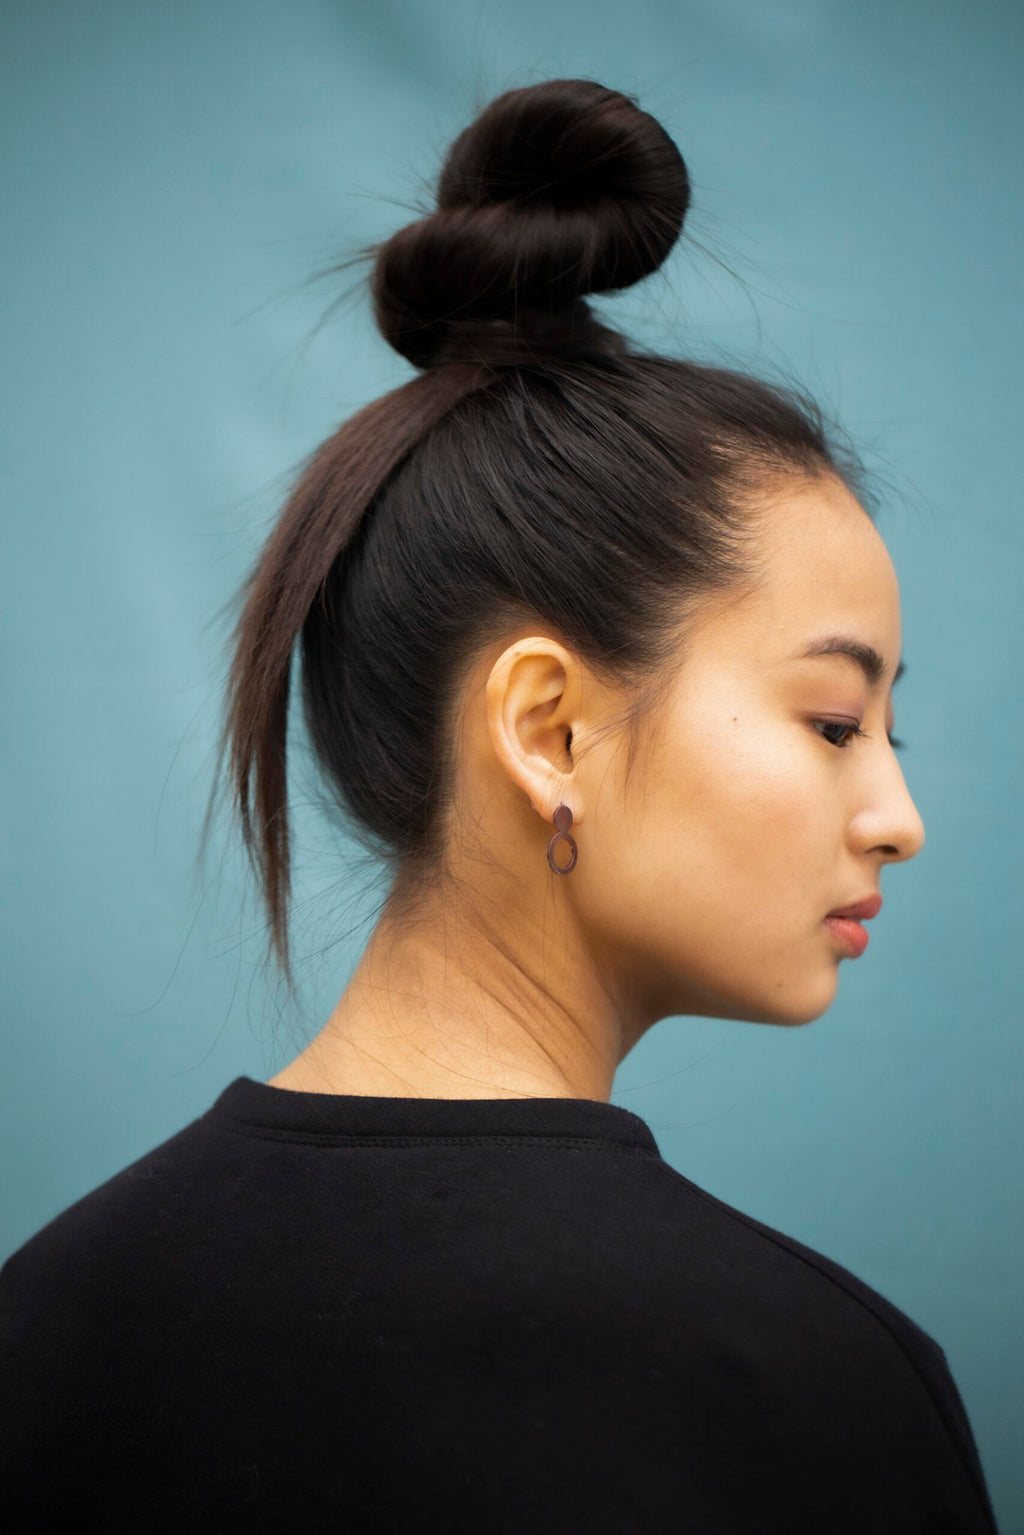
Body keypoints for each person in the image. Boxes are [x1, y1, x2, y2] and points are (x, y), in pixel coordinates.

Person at [1, 78, 1000, 1533]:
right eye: (836, 721)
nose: (899, 815)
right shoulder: (797, 1381)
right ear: (548, 727)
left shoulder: (45, 1317)